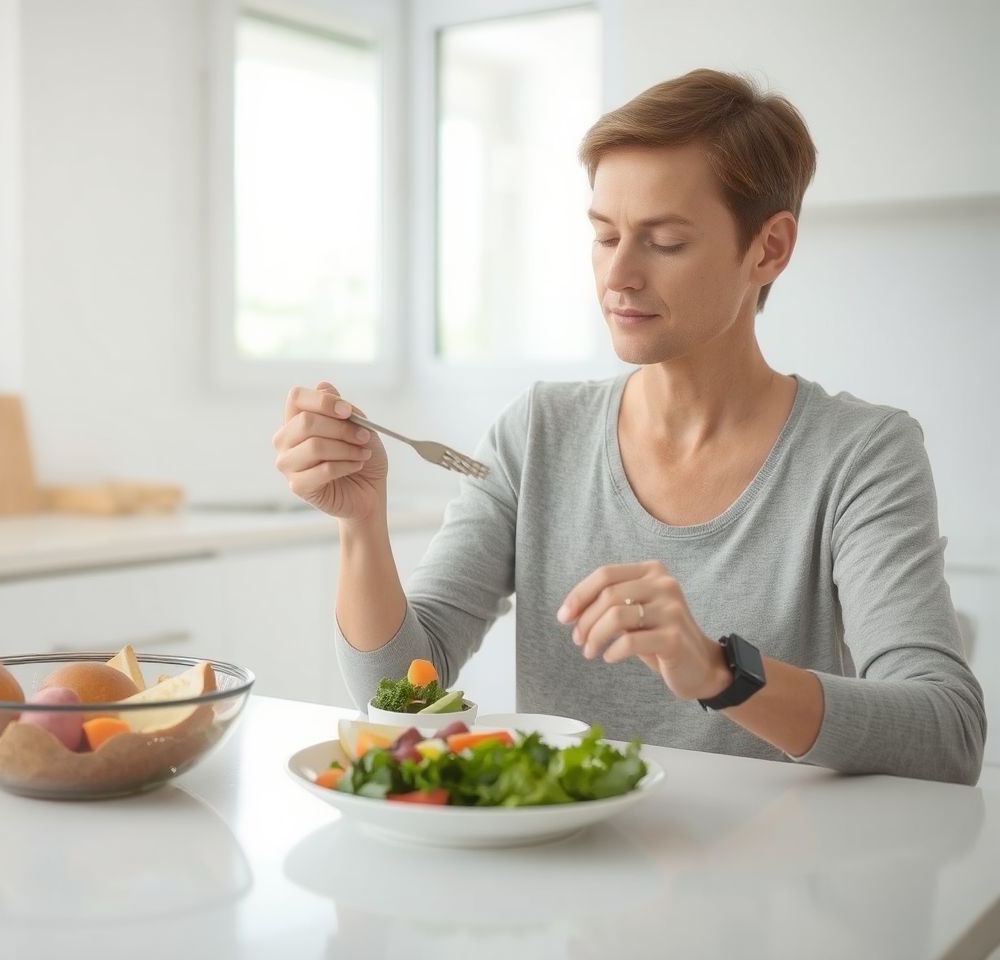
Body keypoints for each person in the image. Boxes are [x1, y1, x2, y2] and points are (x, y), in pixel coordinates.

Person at [271, 69, 985, 784]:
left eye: (664, 242)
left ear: (768, 248)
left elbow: (946, 731)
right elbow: (401, 697)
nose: (618, 275)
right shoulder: (540, 433)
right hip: (568, 879)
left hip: (770, 885)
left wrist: (718, 672)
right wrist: (361, 524)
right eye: (604, 235)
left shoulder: (861, 455)